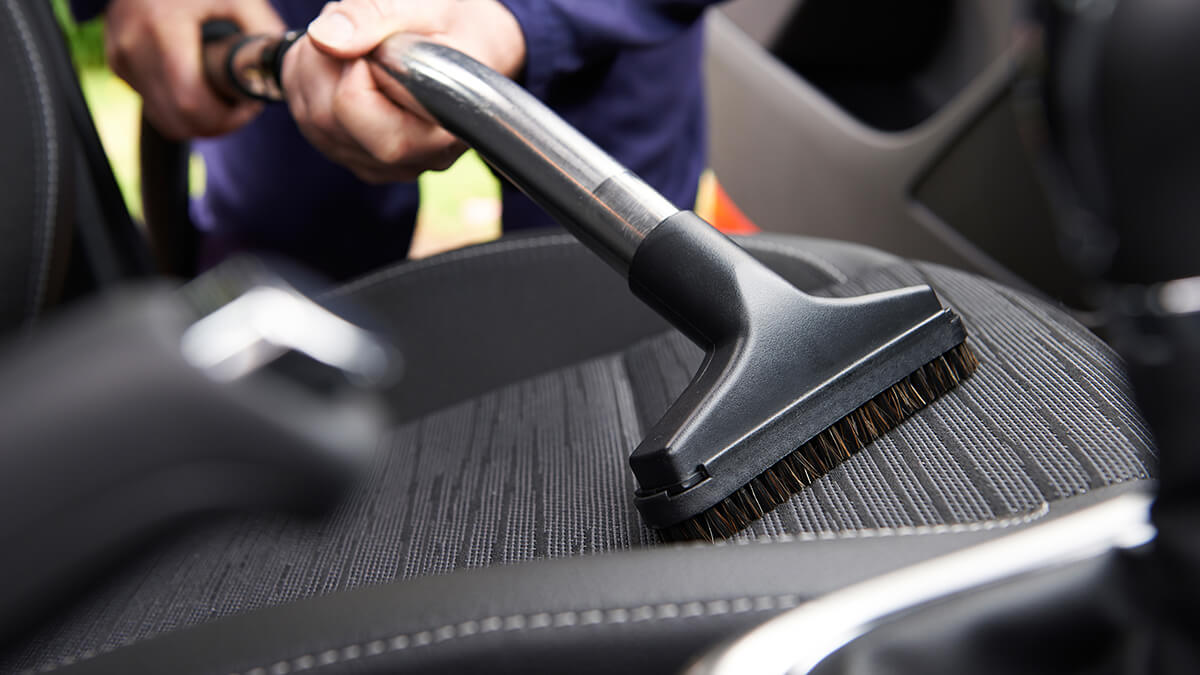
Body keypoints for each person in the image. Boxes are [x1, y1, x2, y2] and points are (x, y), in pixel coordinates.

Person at [71, 0, 720, 280]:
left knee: (606, 307)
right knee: (284, 281)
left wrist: (524, 14)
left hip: (603, 39)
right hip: (292, 24)